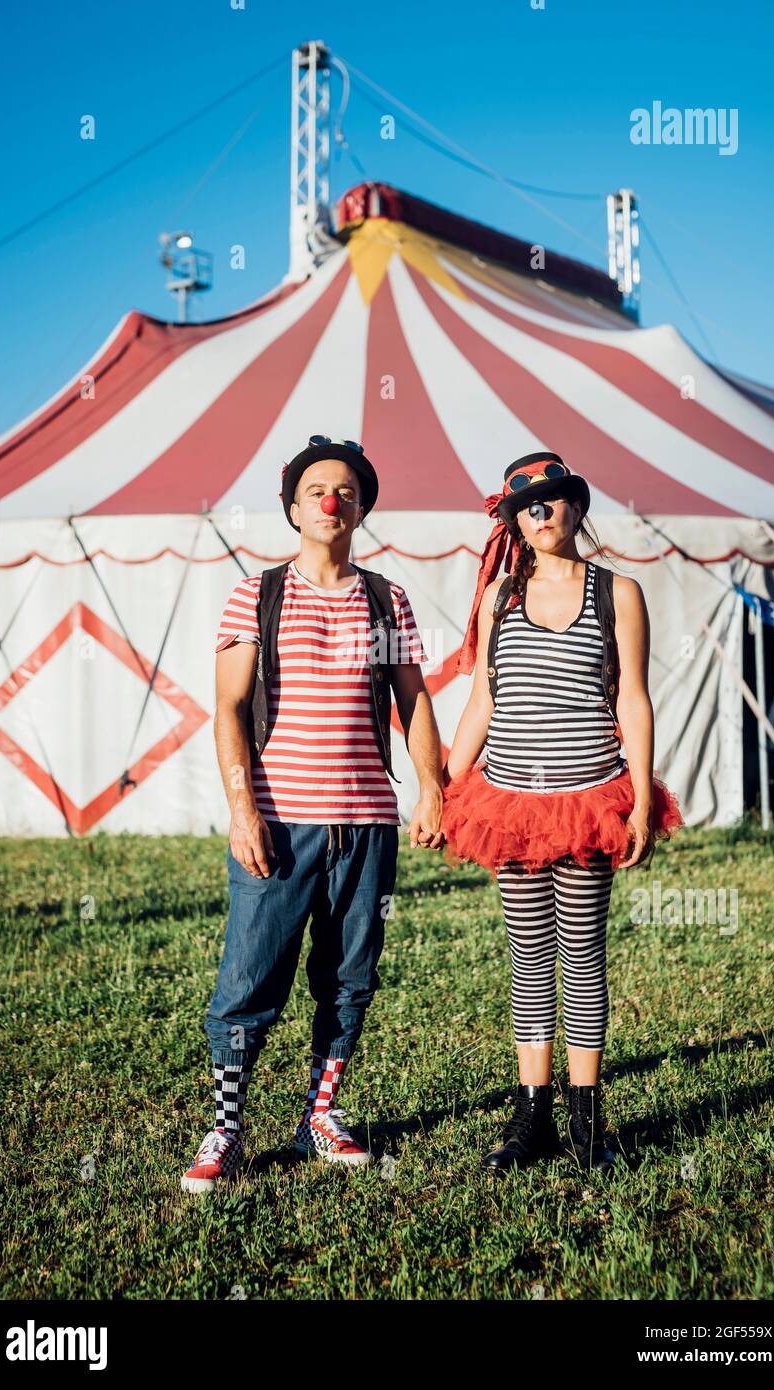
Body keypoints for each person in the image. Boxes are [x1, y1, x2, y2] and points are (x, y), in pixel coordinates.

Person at [181, 435, 445, 1192]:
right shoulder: (255, 593)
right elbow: (229, 708)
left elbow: (413, 698)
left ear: (362, 506)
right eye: (318, 490)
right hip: (280, 821)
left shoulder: (384, 597)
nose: (333, 501)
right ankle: (228, 1129)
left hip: (366, 823)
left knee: (350, 977)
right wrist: (243, 811)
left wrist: (432, 787)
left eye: (348, 491)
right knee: (249, 979)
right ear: (293, 507)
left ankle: (320, 1116)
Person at [441, 452, 683, 1174]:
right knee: (527, 960)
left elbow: (632, 700)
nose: (540, 514)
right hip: (510, 803)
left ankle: (587, 1123)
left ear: (576, 508)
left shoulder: (619, 592)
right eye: (527, 507)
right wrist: (447, 789)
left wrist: (641, 801)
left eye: (553, 502)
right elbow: (483, 698)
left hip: (587, 801)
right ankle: (531, 1118)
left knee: (580, 956)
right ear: (514, 520)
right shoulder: (498, 599)